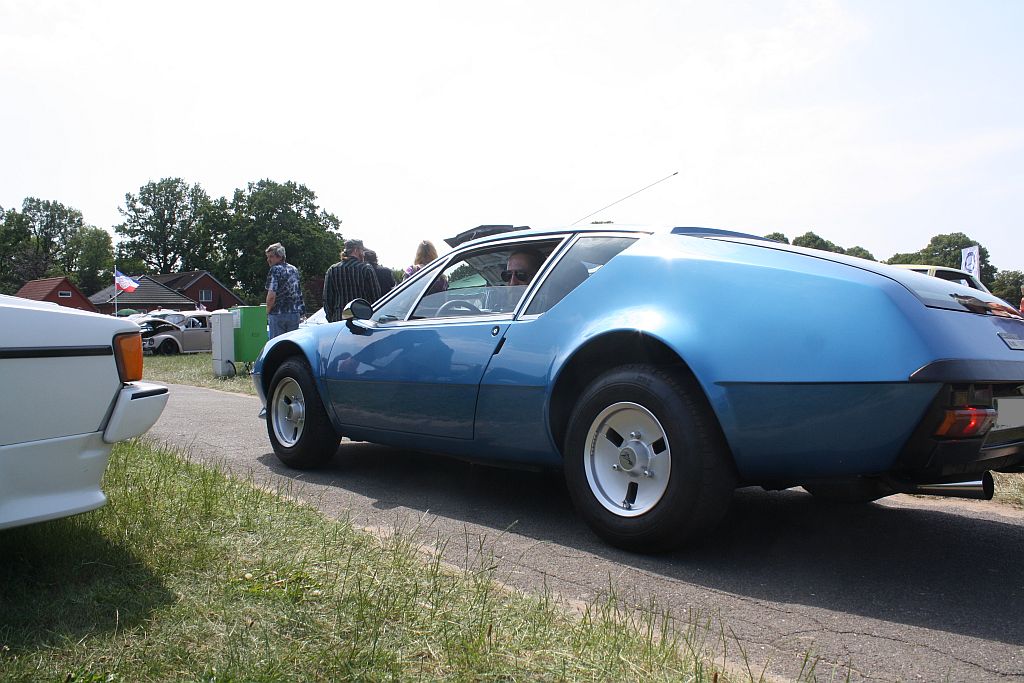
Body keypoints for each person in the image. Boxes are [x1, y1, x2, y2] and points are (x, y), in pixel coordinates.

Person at [323, 238, 382, 323]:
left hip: (338, 319)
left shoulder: (332, 270)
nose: (363, 254)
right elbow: (376, 296)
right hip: (362, 319)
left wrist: (331, 318)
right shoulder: (366, 269)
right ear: (356, 250)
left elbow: (327, 299)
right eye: (362, 251)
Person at [264, 242, 304, 338]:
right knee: (291, 343)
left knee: (277, 344)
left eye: (271, 256)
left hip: (277, 314)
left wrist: (266, 312)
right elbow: (298, 292)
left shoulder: (275, 270)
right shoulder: (294, 269)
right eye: (268, 257)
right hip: (294, 313)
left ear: (280, 257)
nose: (268, 260)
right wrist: (302, 311)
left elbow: (271, 295)